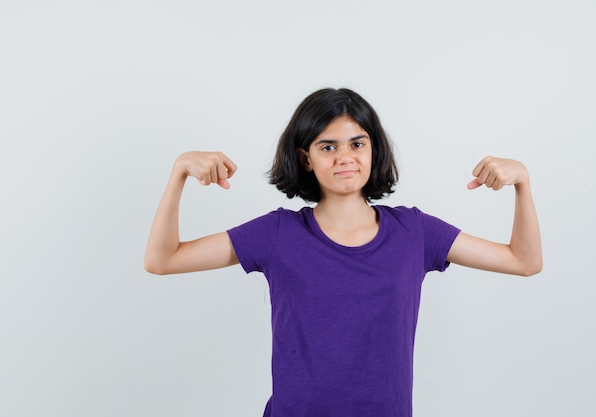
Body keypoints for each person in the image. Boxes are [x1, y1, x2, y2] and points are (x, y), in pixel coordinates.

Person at [144, 88, 542, 417]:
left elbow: (524, 261)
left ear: (373, 148)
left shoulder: (415, 232)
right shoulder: (278, 233)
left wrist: (522, 181)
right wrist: (179, 171)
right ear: (307, 159)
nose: (345, 157)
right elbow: (162, 260)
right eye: (327, 146)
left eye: (357, 143)